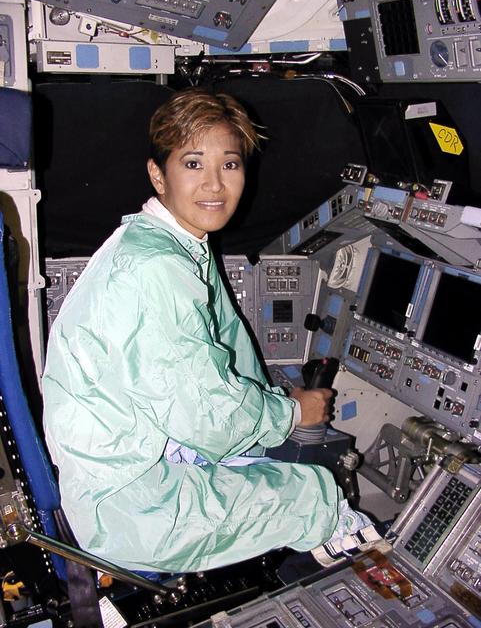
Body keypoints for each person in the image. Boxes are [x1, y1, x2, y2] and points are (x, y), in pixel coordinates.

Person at [42, 88, 382, 573]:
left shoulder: (165, 244)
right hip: (132, 507)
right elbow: (207, 418)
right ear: (158, 174)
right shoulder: (157, 268)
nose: (215, 184)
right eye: (193, 163)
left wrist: (277, 407)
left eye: (230, 164)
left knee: (279, 461)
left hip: (138, 464)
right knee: (314, 492)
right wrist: (292, 413)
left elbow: (221, 355)